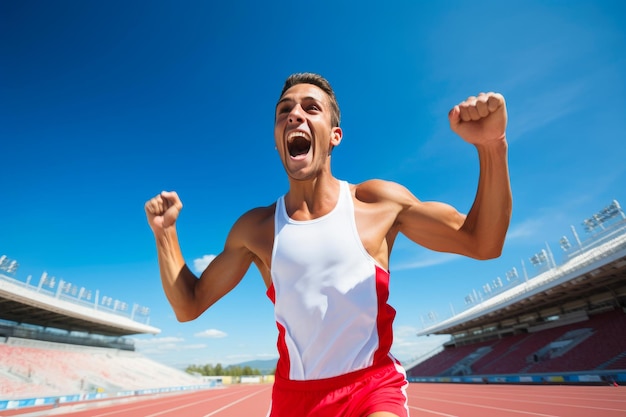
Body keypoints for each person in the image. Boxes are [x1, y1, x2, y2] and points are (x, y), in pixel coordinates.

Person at [144, 73, 512, 417]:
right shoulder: (255, 230)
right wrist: (165, 233)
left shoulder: (379, 203)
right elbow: (189, 305)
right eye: (284, 110)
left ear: (335, 135)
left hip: (370, 388)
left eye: (310, 108)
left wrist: (491, 146)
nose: (294, 116)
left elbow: (481, 241)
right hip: (293, 398)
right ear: (276, 140)